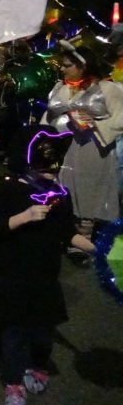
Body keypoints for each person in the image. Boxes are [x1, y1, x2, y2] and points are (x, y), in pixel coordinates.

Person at [0, 125, 95, 405]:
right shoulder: (8, 190)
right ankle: (14, 384)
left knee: (43, 332)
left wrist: (97, 247)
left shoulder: (58, 193)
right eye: (47, 159)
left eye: (58, 159)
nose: (54, 167)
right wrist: (25, 216)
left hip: (44, 277)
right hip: (11, 277)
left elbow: (66, 232)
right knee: (15, 333)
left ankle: (36, 365)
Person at [41, 42, 123, 261]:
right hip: (64, 145)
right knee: (62, 185)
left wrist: (95, 124)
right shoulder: (61, 87)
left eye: (67, 65)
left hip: (93, 147)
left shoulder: (108, 89)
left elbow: (119, 118)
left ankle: (83, 237)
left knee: (87, 189)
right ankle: (63, 230)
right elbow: (49, 116)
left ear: (83, 66)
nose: (63, 69)